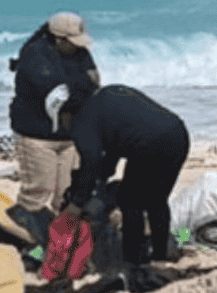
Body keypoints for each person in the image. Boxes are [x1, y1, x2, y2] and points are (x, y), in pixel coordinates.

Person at [59, 85, 190, 267]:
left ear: (67, 114)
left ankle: (133, 261)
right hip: (178, 134)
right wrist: (102, 177)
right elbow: (113, 151)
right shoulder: (107, 99)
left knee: (130, 202)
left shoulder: (82, 121)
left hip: (148, 143)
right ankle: (160, 257)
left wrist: (76, 204)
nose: (63, 130)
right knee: (157, 201)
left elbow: (91, 163)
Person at [7, 12, 101, 227]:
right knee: (36, 195)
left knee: (65, 198)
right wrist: (81, 88)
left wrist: (77, 89)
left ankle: (60, 245)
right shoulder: (34, 55)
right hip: (37, 137)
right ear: (58, 38)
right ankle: (26, 244)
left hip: (69, 137)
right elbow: (55, 92)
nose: (78, 47)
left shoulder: (81, 53)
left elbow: (93, 86)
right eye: (72, 42)